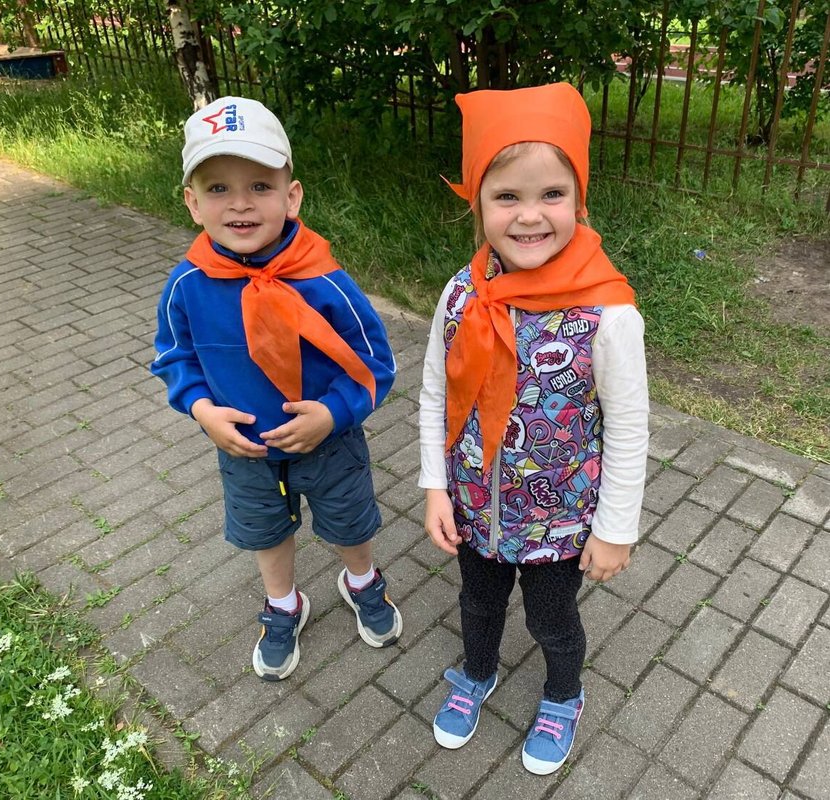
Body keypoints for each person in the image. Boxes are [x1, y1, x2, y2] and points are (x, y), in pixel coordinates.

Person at [418, 83, 648, 775]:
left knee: (552, 621)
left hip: (558, 522)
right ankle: (477, 672)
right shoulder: (462, 293)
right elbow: (435, 392)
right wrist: (435, 487)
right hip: (474, 506)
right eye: (506, 196)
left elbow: (629, 428)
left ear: (580, 201)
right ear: (478, 203)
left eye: (551, 194)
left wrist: (616, 529)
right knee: (477, 603)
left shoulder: (608, 314)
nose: (528, 215)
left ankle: (563, 694)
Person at [151, 96, 402, 682]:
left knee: (351, 524)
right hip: (246, 450)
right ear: (192, 203)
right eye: (218, 188)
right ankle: (283, 604)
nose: (240, 203)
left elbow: (375, 362)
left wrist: (333, 413)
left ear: (292, 197)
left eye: (260, 186)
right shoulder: (186, 285)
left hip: (329, 444)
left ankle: (362, 580)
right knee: (265, 532)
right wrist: (202, 410)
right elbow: (173, 356)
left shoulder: (324, 279)